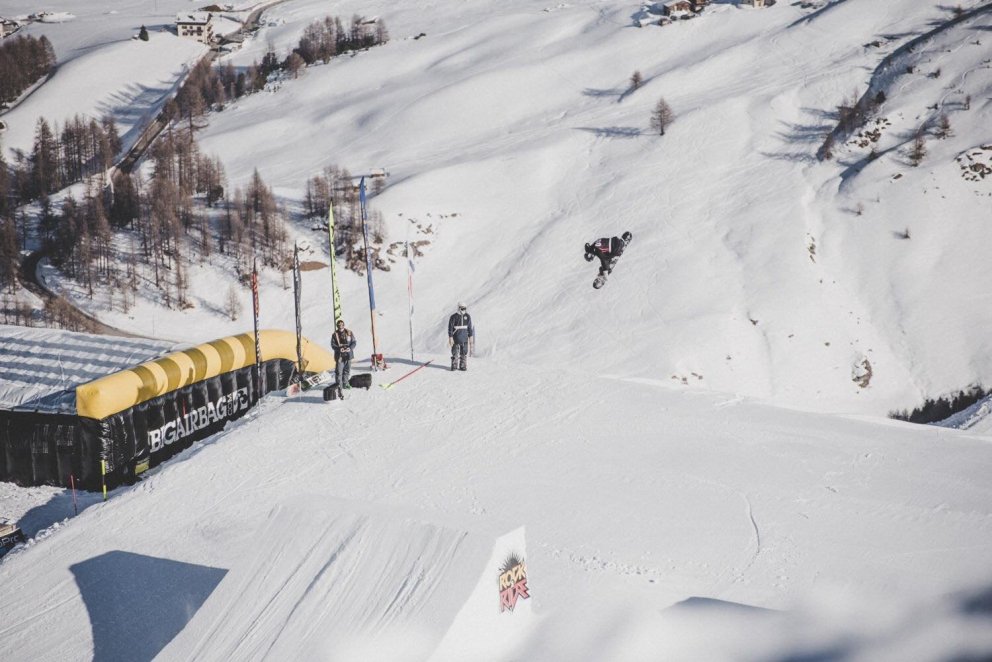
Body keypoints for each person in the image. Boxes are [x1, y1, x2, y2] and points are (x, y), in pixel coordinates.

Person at [447, 302, 475, 371]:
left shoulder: (467, 316)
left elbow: (469, 328)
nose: (463, 310)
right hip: (456, 337)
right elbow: (450, 327)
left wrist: (471, 337)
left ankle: (463, 365)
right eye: (462, 308)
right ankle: (454, 364)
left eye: (465, 308)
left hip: (464, 337)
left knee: (464, 351)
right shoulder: (453, 317)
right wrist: (450, 337)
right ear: (458, 308)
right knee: (455, 351)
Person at [331, 319, 356, 389]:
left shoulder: (349, 332)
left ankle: (345, 383)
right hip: (340, 356)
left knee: (347, 370)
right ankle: (339, 385)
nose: (340, 326)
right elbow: (333, 345)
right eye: (339, 325)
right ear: (337, 326)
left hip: (348, 355)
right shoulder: (334, 335)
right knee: (339, 371)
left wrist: (350, 348)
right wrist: (339, 349)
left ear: (344, 325)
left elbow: (354, 342)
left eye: (342, 325)